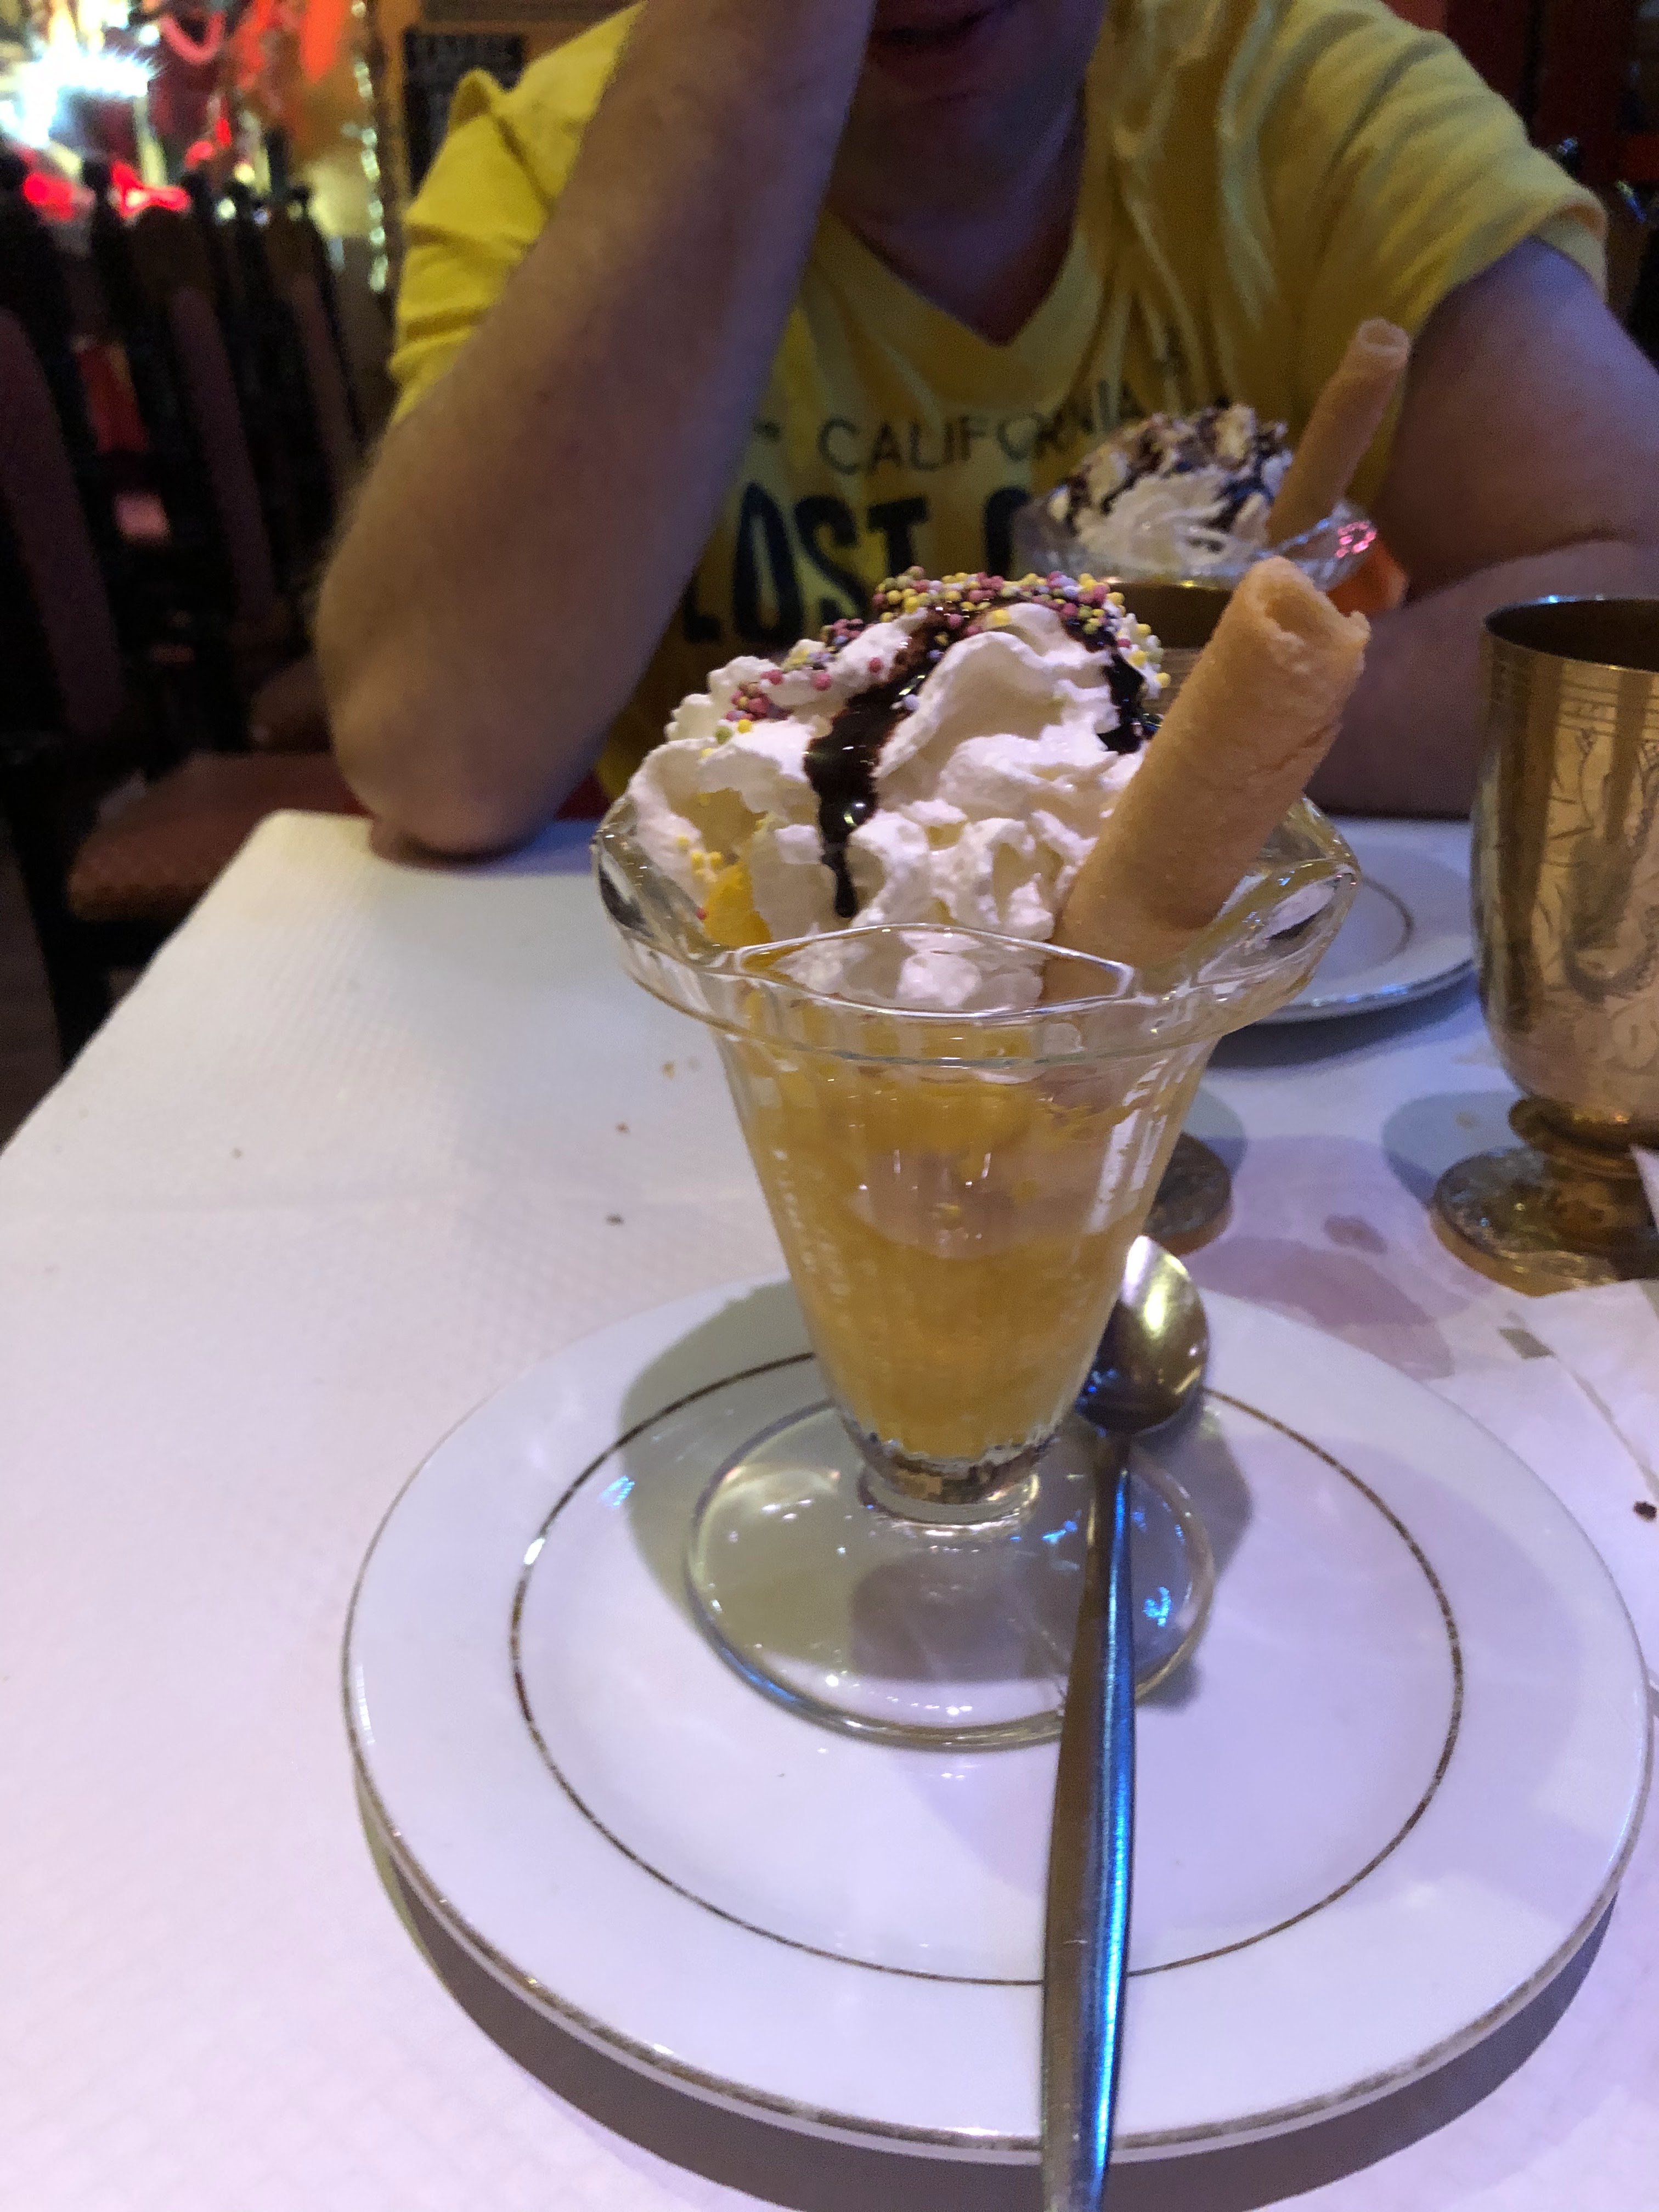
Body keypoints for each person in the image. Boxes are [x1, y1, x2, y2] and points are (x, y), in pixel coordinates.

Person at [316, 0, 1659, 855]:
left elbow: (1636, 589)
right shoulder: (555, 157)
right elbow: (438, 755)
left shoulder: (1313, 101)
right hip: (721, 1041)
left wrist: (1114, 762)